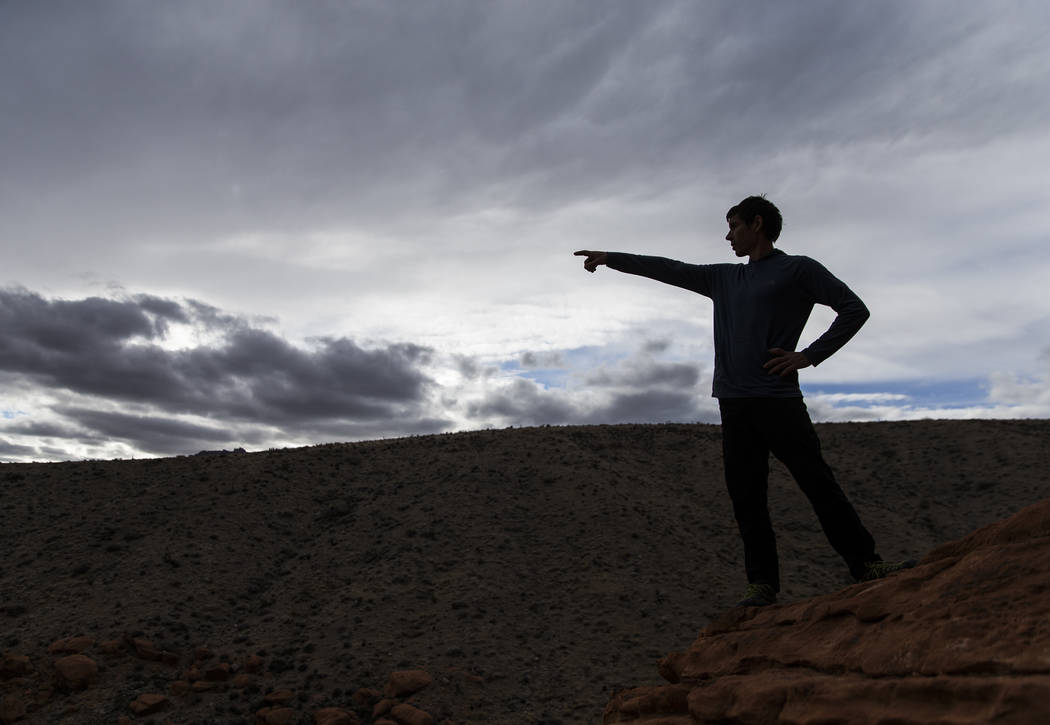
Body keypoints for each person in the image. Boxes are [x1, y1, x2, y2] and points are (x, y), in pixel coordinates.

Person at [574, 195, 915, 607]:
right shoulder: (724, 278)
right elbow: (670, 269)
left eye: (734, 226)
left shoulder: (798, 269)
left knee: (818, 485)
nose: (728, 235)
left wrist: (809, 355)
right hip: (734, 405)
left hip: (779, 400)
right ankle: (762, 586)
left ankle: (866, 565)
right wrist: (612, 257)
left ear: (757, 224)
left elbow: (853, 309)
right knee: (747, 498)